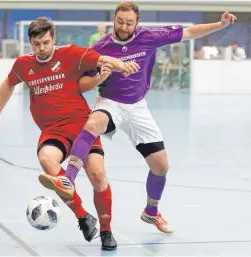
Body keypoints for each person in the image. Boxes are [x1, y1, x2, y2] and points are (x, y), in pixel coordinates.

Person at [38, 1, 237, 234]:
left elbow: (190, 32)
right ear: (114, 19)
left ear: (137, 23)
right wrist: (100, 77)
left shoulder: (150, 36)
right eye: (120, 21)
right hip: (110, 102)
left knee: (161, 166)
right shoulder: (100, 47)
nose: (123, 27)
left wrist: (221, 24)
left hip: (137, 107)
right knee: (93, 123)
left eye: (129, 23)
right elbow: (82, 83)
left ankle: (151, 212)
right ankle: (68, 179)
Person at [0, 17, 138, 250]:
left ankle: (106, 230)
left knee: (97, 175)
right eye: (36, 44)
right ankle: (83, 216)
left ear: (53, 39)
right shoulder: (23, 64)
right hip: (53, 130)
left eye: (46, 42)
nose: (42, 48)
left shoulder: (71, 54)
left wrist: (121, 65)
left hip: (81, 126)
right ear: (30, 43)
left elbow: (103, 59)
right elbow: (8, 84)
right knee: (47, 160)